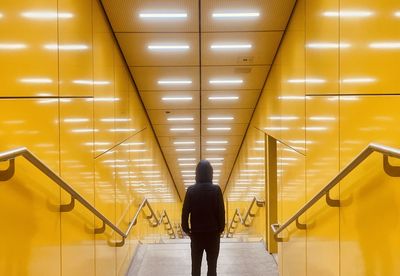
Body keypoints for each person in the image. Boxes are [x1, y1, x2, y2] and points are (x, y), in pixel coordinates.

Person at [181, 160, 225, 276]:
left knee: (195, 267)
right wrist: (220, 229)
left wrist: (187, 230)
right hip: (213, 234)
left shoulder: (191, 190)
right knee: (212, 267)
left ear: (197, 174)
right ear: (211, 173)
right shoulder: (216, 190)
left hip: (196, 235)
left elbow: (185, 213)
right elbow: (221, 212)